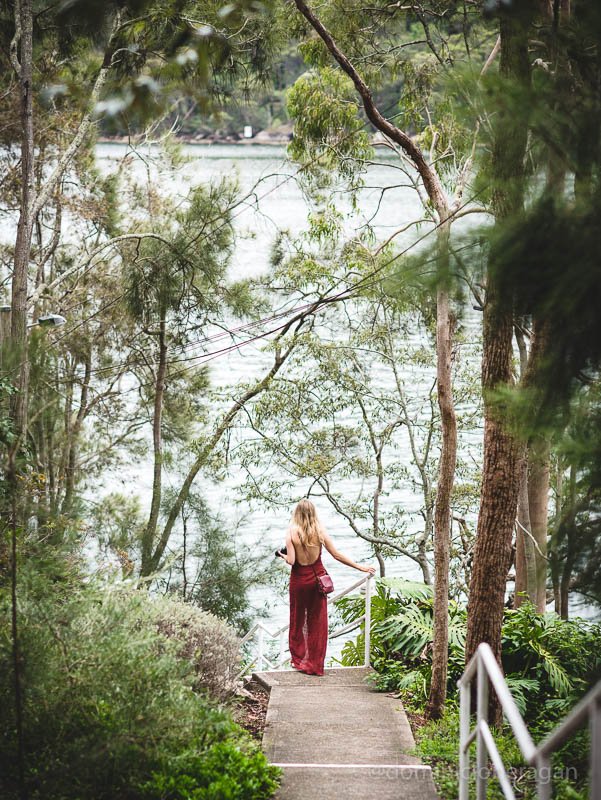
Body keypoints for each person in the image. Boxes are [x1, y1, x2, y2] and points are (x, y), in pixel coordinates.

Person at [276, 499, 376, 676]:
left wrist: (281, 555)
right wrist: (360, 567)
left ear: (297, 513)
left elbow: (292, 561)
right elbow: (336, 555)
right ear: (313, 513)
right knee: (317, 622)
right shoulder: (320, 531)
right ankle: (314, 665)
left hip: (299, 582)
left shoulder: (291, 532)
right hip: (317, 581)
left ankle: (299, 660)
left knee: (298, 619)